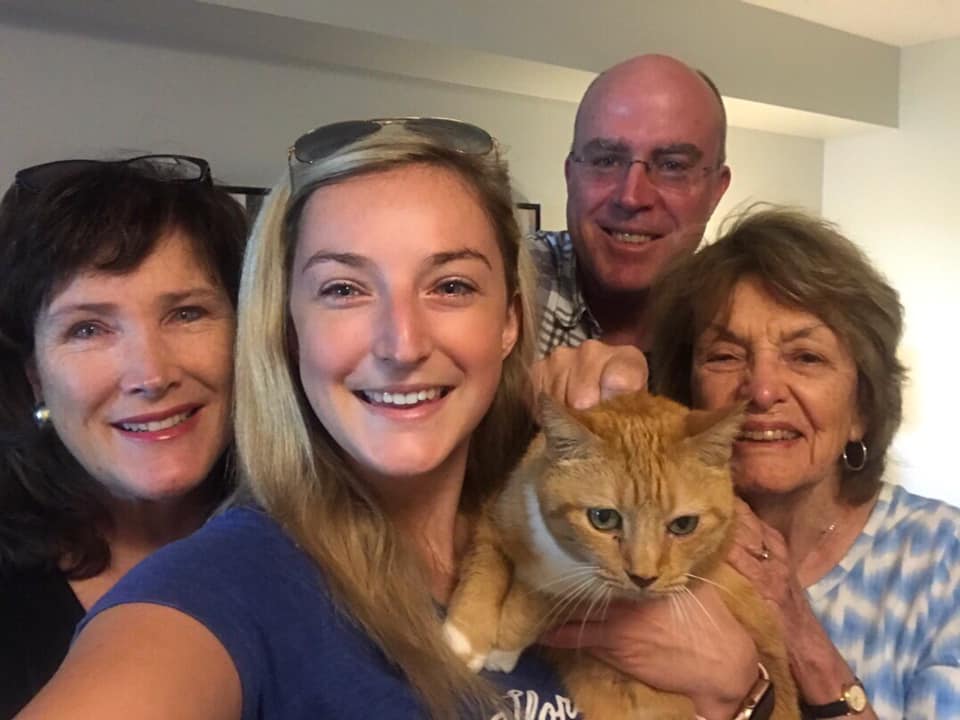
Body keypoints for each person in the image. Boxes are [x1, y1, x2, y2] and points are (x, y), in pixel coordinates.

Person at [18, 119, 764, 720]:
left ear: (509, 323)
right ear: (286, 328)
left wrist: (743, 700)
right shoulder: (233, 583)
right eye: (343, 289)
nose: (401, 344)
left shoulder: (567, 523)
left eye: (450, 285)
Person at [646, 208, 960, 717]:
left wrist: (796, 627)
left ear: (862, 407)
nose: (763, 390)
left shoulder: (943, 560)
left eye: (806, 357)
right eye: (725, 356)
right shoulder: (642, 554)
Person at [0, 156, 246, 717]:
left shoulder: (326, 545)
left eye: (187, 313)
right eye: (88, 328)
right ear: (35, 375)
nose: (151, 375)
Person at [532, 53, 731, 357]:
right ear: (570, 175)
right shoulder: (508, 285)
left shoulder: (738, 318)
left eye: (672, 166)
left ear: (716, 189)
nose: (631, 197)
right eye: (606, 160)